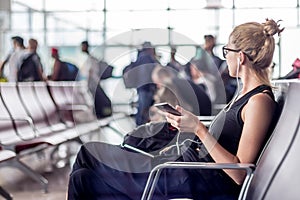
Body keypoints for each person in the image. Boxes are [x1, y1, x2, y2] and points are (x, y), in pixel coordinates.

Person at [67, 19, 282, 199]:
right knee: (82, 176)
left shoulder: (259, 102)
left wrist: (199, 129)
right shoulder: (244, 94)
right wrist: (187, 125)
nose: (225, 56)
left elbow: (240, 172)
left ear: (241, 57)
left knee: (86, 160)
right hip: (183, 168)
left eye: (227, 51)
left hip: (190, 178)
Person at [80, 40, 112, 118]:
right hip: (94, 83)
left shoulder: (91, 59)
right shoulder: (91, 58)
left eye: (82, 46)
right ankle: (101, 115)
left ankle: (102, 115)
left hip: (93, 83)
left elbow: (92, 72)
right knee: (97, 100)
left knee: (98, 100)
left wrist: (91, 82)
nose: (81, 48)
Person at [133, 41, 159, 126]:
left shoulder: (141, 57)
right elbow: (147, 74)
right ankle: (140, 127)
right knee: (144, 109)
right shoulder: (146, 58)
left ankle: (139, 127)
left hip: (142, 88)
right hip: (146, 88)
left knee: (142, 108)